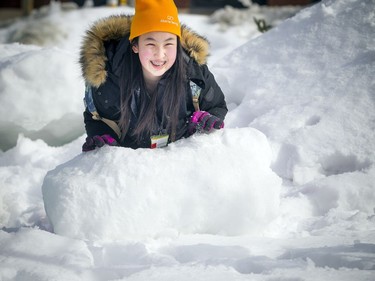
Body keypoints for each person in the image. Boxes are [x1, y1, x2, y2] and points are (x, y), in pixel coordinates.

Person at [80, 0, 228, 151]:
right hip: (131, 166)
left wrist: (205, 120)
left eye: (169, 44)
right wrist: (102, 135)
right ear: (135, 45)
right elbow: (96, 117)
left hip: (179, 162)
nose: (160, 54)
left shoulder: (194, 75)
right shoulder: (108, 78)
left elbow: (217, 105)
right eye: (151, 44)